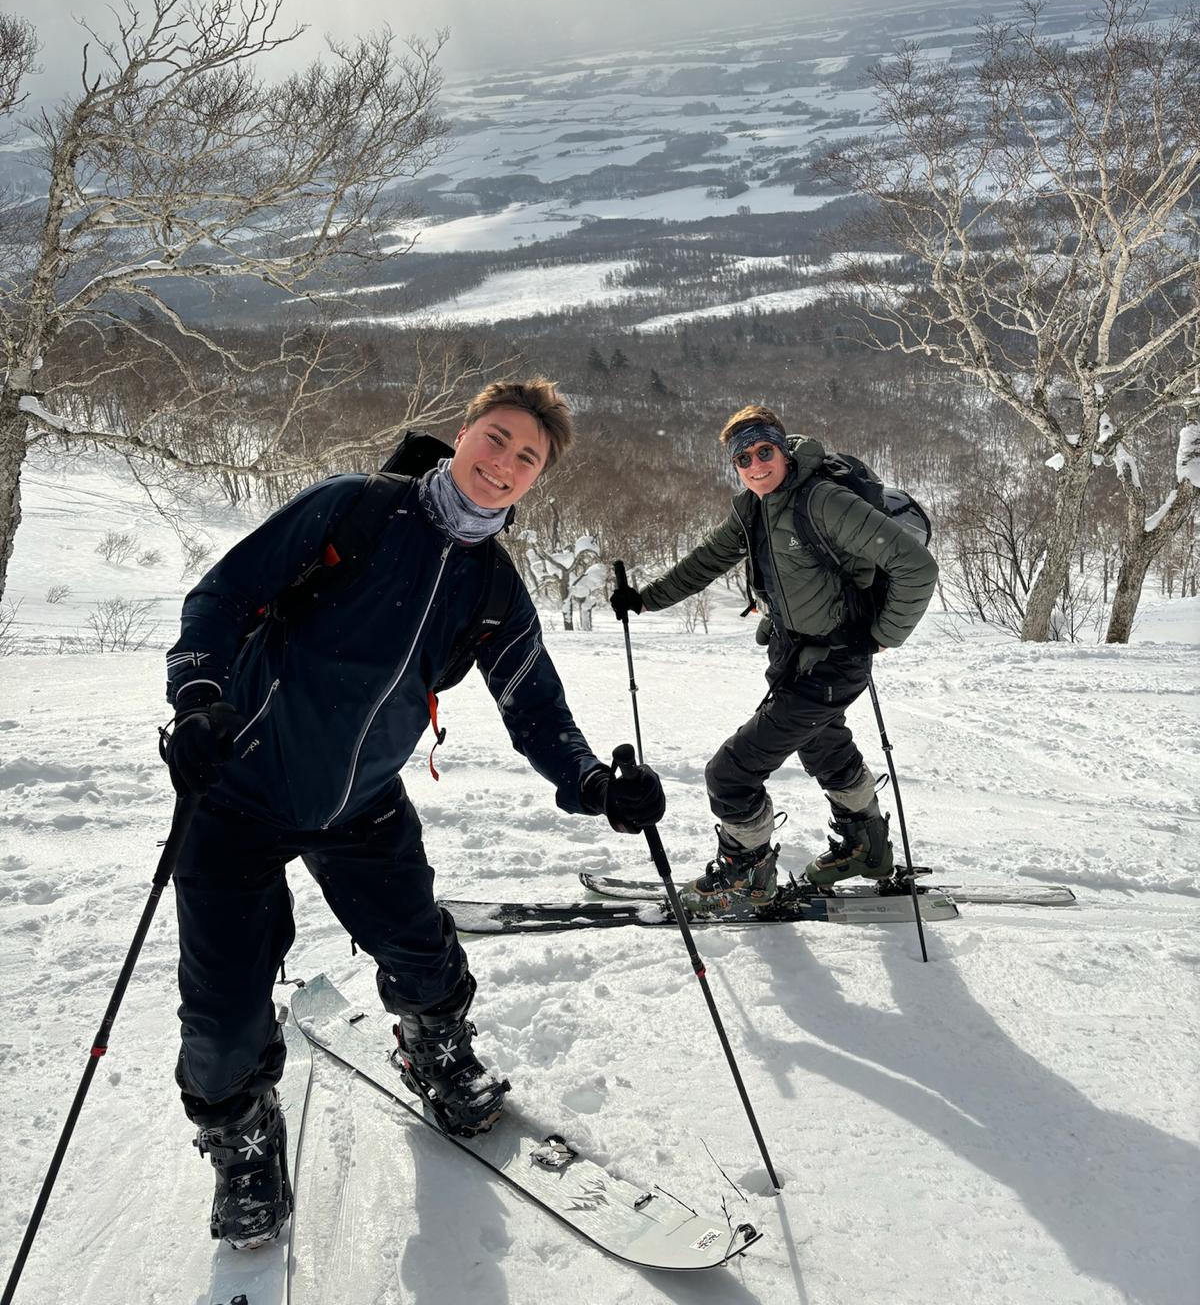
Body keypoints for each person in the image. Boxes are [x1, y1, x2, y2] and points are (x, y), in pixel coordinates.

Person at [161, 378, 664, 1249]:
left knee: (424, 955)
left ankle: (434, 1049)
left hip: (361, 804)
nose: (504, 462)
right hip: (237, 792)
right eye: (496, 438)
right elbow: (221, 597)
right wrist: (198, 698)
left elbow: (534, 706)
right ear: (463, 432)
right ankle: (241, 1139)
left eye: (527, 457)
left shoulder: (493, 589)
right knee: (222, 1011)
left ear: (536, 479)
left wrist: (595, 784)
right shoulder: (355, 509)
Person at [609, 403, 936, 914]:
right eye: (743, 459)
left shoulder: (823, 500)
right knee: (823, 746)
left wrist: (885, 635)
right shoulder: (752, 509)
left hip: (836, 660)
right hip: (793, 654)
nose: (756, 465)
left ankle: (747, 875)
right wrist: (645, 599)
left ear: (783, 450)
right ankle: (866, 849)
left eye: (764, 451)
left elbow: (917, 566)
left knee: (730, 773)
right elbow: (706, 560)